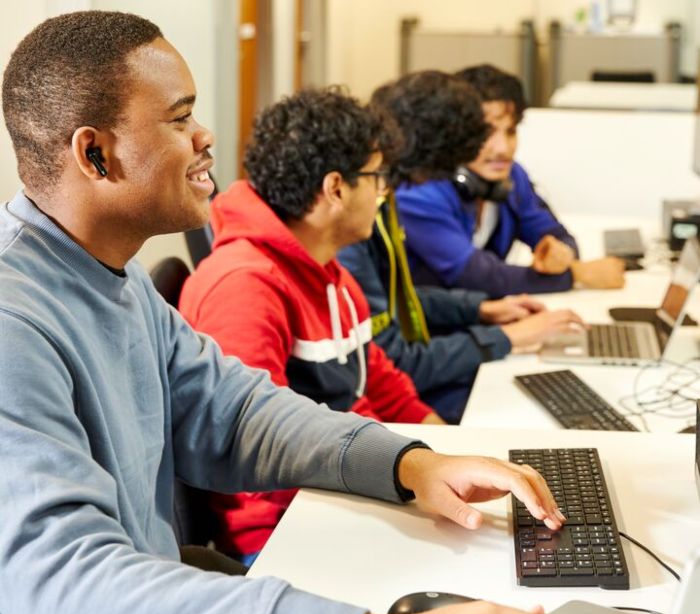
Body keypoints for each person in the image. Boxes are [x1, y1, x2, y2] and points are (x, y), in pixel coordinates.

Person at [0, 11, 595, 614]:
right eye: (179, 119)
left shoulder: (115, 273)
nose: (206, 137)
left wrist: (409, 464)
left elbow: (237, 411)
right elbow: (65, 587)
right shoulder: (15, 320)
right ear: (95, 154)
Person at [179, 87, 444, 563]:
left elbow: (379, 380)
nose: (385, 193)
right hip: (284, 534)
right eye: (377, 178)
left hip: (343, 491)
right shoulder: (244, 287)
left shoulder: (328, 270)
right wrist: (400, 481)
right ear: (336, 188)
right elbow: (254, 448)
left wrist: (439, 451)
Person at [338, 71, 585, 424]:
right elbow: (395, 361)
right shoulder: (363, 226)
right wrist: (505, 337)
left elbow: (400, 300)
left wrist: (480, 309)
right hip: (389, 397)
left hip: (402, 386)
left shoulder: (386, 202)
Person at [393, 64, 625, 298]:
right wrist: (576, 275)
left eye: (511, 131)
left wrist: (562, 253)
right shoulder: (418, 192)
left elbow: (554, 233)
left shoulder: (511, 176)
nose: (503, 149)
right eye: (486, 133)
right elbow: (477, 277)